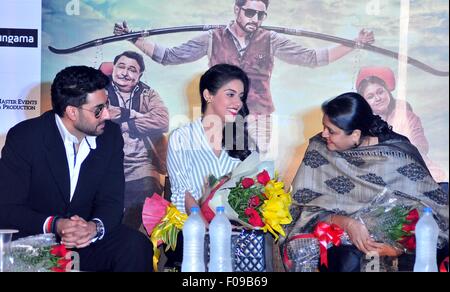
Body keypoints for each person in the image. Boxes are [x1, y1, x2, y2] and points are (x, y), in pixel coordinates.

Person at [114, 0, 374, 152]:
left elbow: (314, 58)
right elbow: (169, 56)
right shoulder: (212, 38)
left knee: (252, 178)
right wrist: (135, 39)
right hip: (217, 117)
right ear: (236, 10)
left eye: (261, 14)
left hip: (258, 117)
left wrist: (353, 44)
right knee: (214, 174)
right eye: (250, 12)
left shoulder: (271, 39)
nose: (256, 18)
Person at [0, 66, 153, 272]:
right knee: (36, 258)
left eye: (106, 105)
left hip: (86, 240)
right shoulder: (26, 137)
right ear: (72, 112)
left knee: (135, 245)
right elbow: (7, 208)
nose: (107, 115)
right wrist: (56, 225)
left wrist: (94, 228)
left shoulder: (111, 137)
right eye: (98, 109)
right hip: (36, 239)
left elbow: (112, 202)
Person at [283, 92, 448, 272]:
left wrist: (399, 248)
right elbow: (300, 206)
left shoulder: (396, 155)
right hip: (338, 242)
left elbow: (433, 212)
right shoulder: (319, 150)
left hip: (394, 249)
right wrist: (345, 223)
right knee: (346, 260)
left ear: (355, 134)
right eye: (324, 126)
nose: (324, 134)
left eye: (331, 131)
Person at [167, 63, 254, 215]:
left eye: (241, 96)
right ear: (208, 95)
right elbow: (182, 193)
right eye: (230, 94)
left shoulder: (243, 142)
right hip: (193, 228)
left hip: (237, 230)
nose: (238, 103)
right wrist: (206, 226)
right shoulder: (181, 138)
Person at [101, 51, 169, 230]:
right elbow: (98, 114)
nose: (124, 73)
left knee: (148, 190)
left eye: (132, 70)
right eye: (121, 67)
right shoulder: (100, 88)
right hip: (106, 162)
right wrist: (140, 116)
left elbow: (162, 121)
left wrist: (126, 117)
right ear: (113, 68)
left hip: (140, 164)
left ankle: (124, 234)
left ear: (139, 75)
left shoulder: (148, 94)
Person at [356, 66, 447, 183]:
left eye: (380, 92)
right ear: (364, 102)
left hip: (419, 171)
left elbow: (421, 147)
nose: (378, 98)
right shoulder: (362, 125)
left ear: (387, 92)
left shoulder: (407, 116)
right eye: (370, 96)